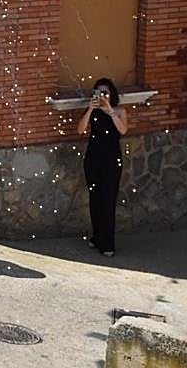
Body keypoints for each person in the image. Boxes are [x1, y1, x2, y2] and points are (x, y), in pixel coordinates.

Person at [77, 77, 129, 257]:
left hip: (112, 160)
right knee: (95, 198)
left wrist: (110, 111)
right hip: (93, 159)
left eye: (106, 92)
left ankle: (107, 244)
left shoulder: (119, 111)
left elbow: (123, 130)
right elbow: (80, 129)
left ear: (112, 94)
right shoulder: (93, 111)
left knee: (108, 200)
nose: (103, 96)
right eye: (99, 93)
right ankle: (97, 236)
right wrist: (91, 108)